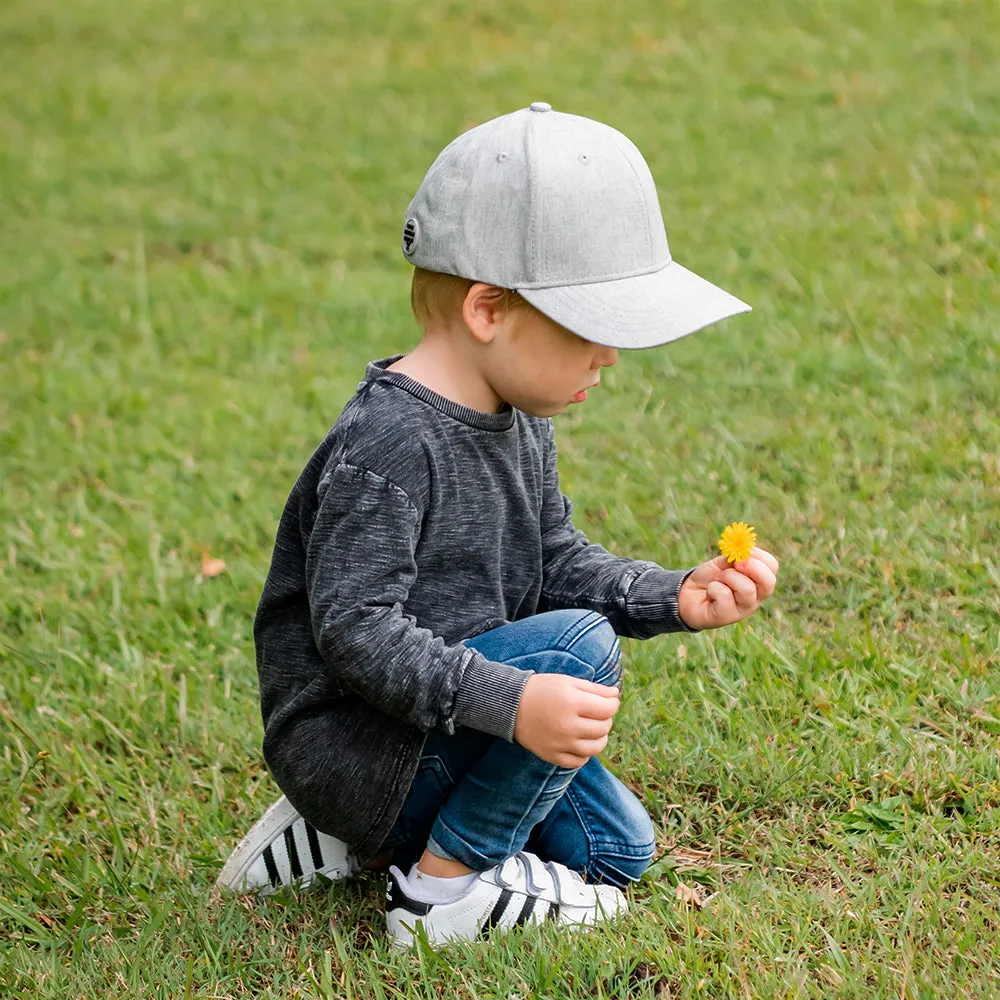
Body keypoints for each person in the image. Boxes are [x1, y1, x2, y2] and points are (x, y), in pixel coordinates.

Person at [216, 102, 779, 947]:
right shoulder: (390, 446)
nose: (611, 358)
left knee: (615, 849)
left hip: (440, 722)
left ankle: (344, 839)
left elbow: (551, 557)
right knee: (580, 647)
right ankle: (441, 892)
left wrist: (673, 595)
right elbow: (355, 631)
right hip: (358, 740)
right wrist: (511, 699)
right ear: (488, 310)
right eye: (593, 329)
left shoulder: (519, 417)